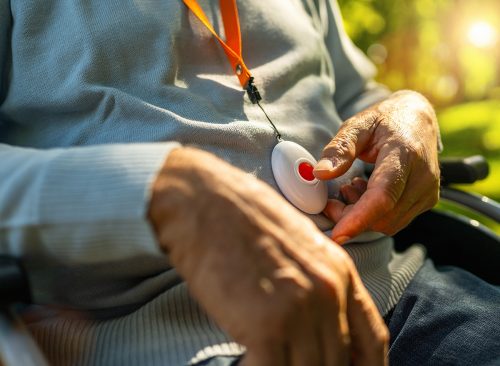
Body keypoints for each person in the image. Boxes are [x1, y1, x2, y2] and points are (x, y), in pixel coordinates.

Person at [0, 1, 499, 365]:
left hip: (400, 295)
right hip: (169, 344)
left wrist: (412, 110)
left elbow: (358, 95)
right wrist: (161, 193)